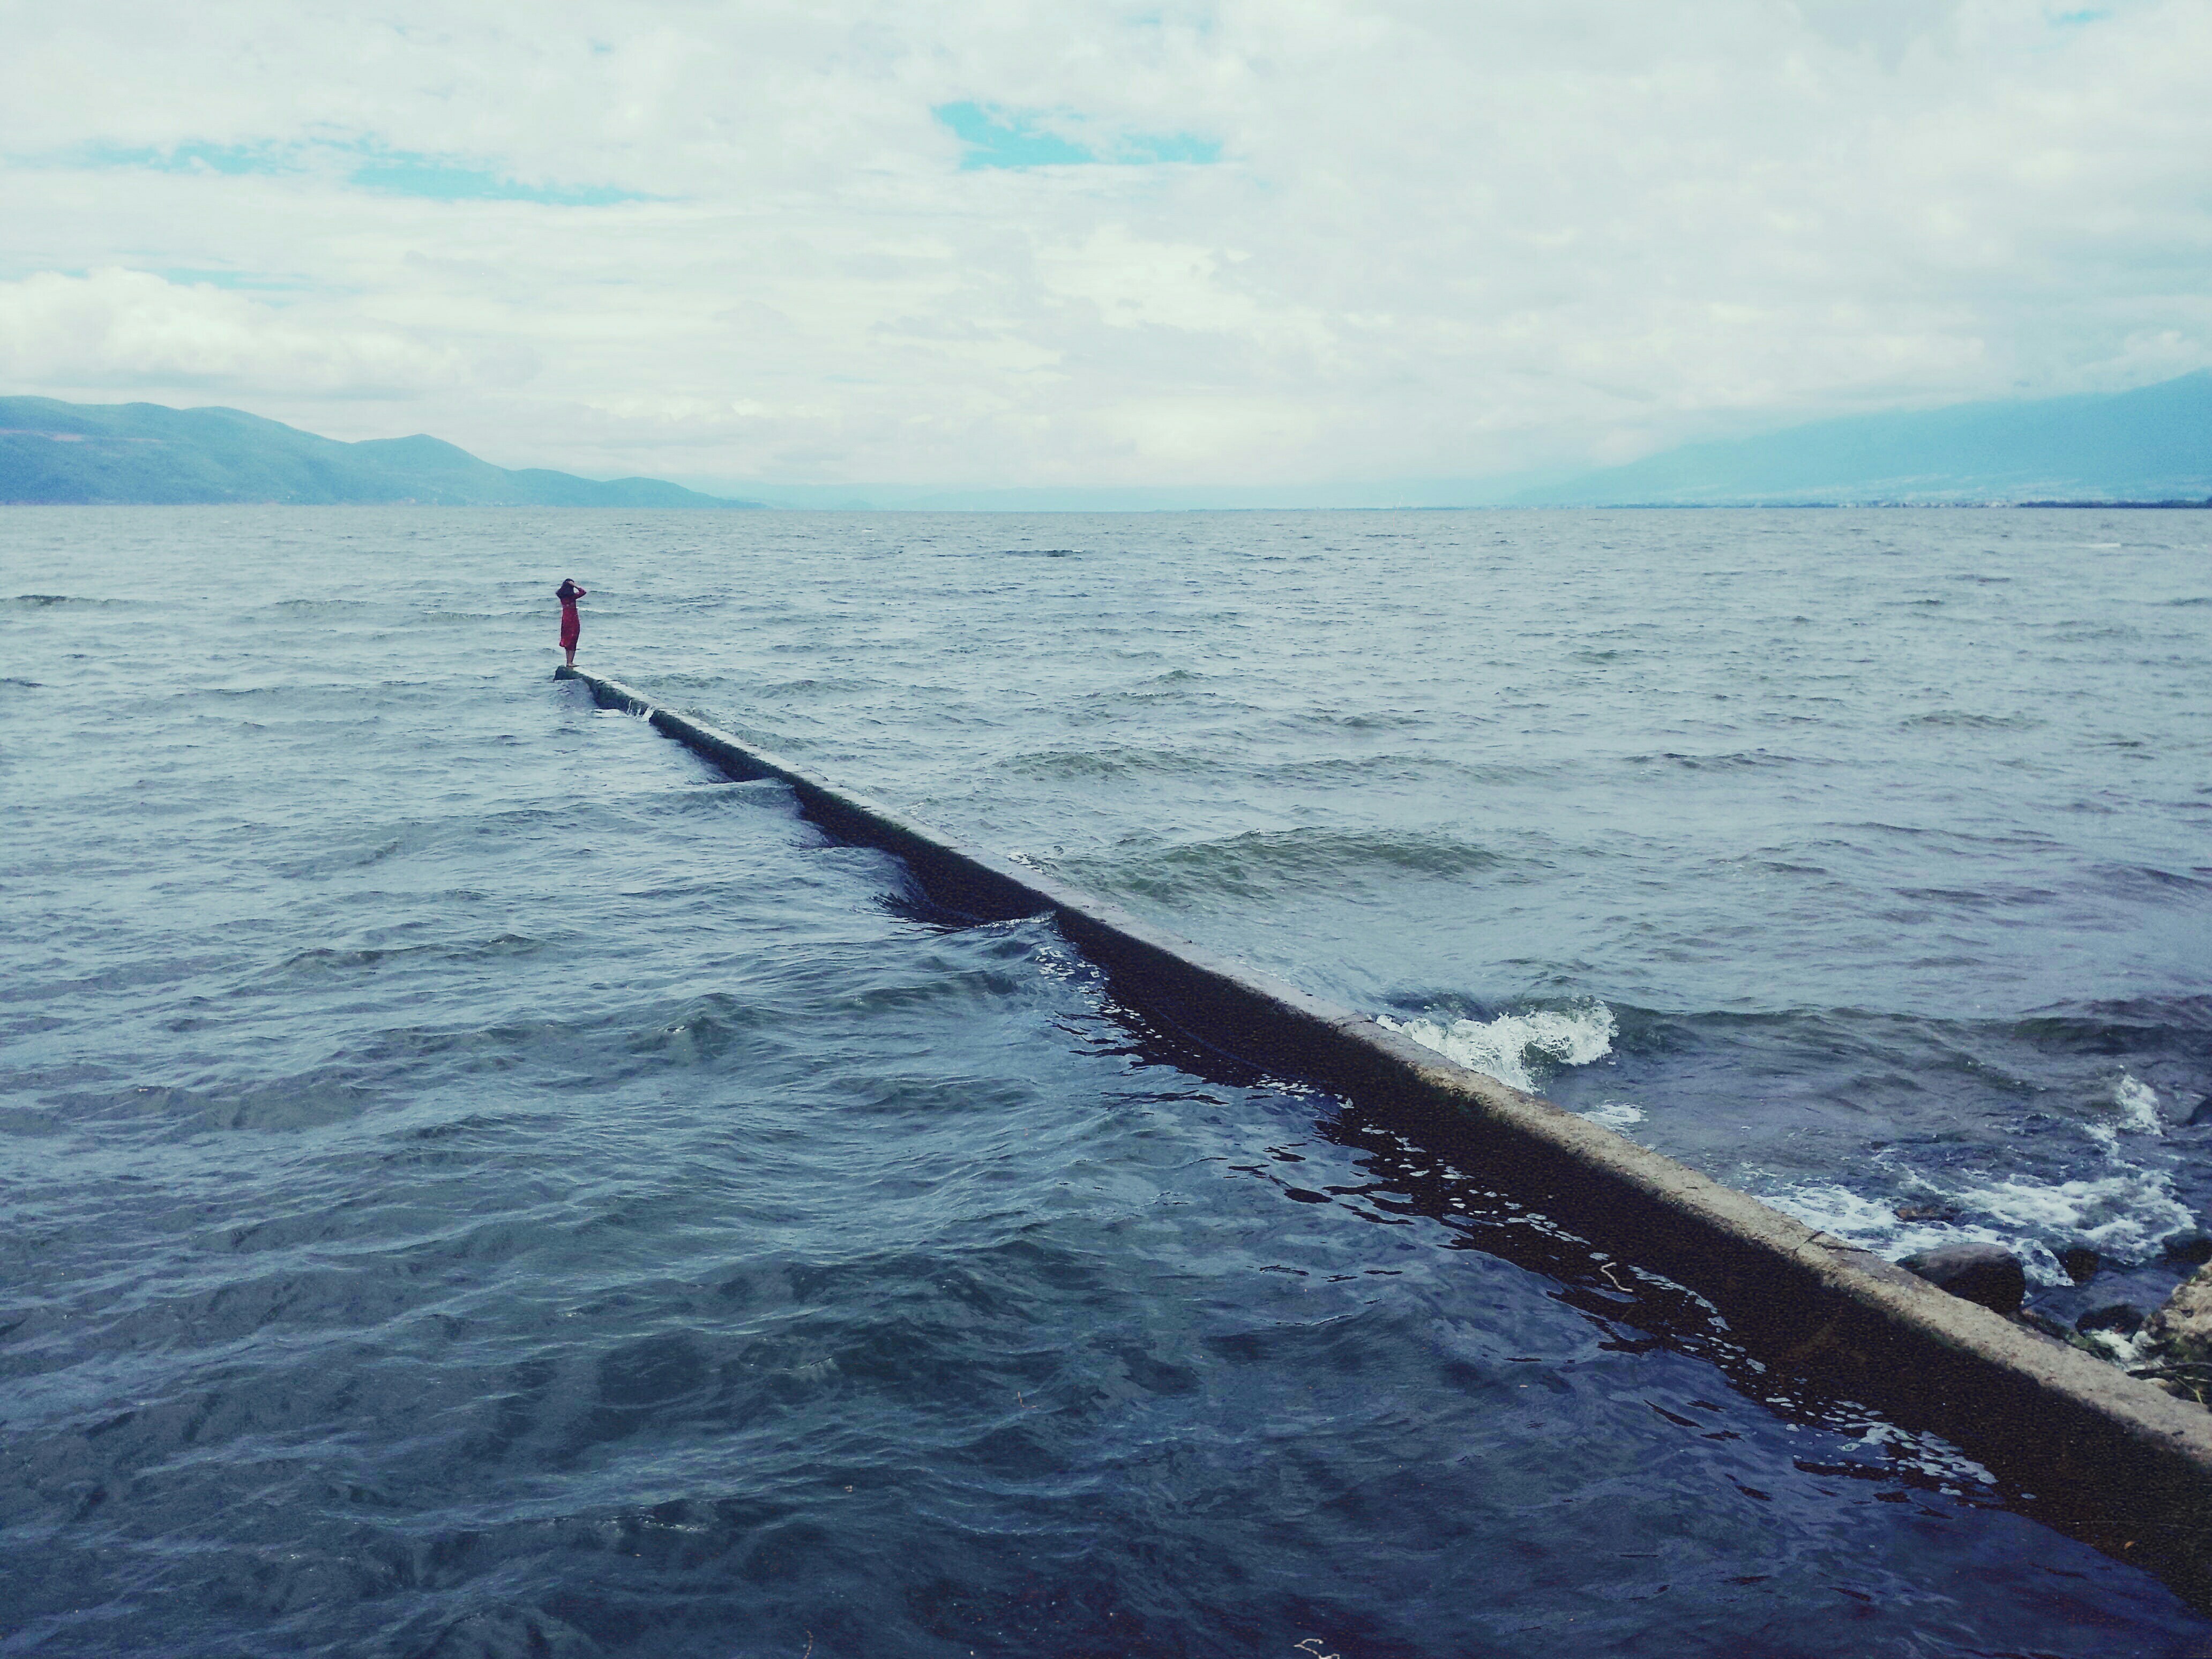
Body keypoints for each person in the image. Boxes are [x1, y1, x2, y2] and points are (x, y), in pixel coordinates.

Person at [555, 578, 587, 668]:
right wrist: (575, 585)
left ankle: (568, 661)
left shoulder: (561, 596)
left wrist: (569, 584)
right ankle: (570, 662)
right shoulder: (572, 597)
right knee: (573, 640)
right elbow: (583, 592)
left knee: (567, 639)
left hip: (565, 619)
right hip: (573, 619)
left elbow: (559, 592)